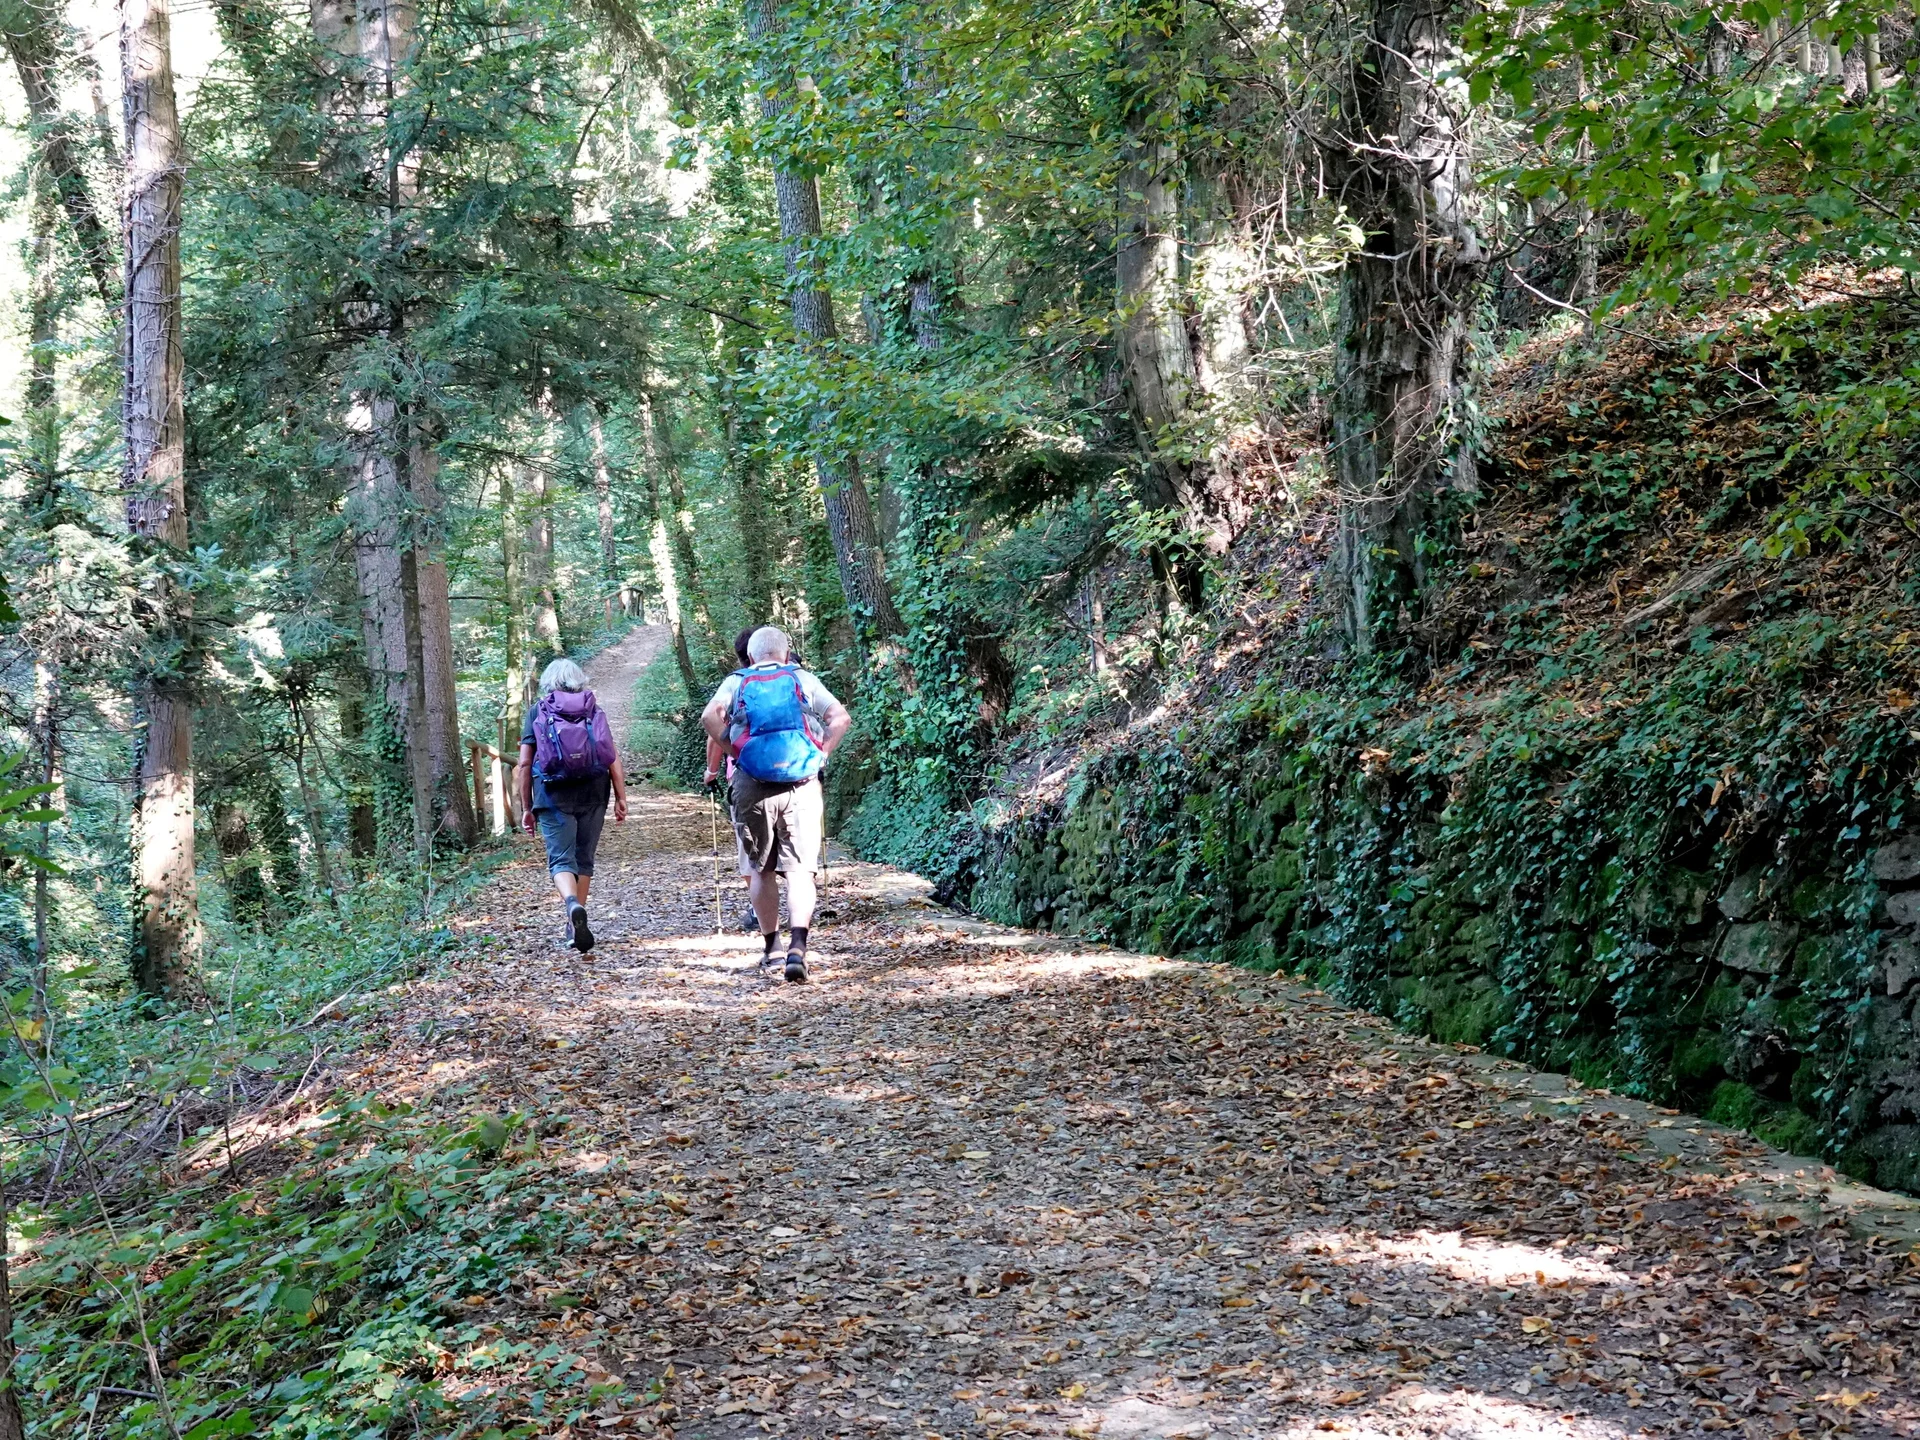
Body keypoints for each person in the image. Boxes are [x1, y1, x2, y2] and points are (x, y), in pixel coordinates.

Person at [701, 626, 850, 982]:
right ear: (786, 653)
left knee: (760, 869)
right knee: (800, 871)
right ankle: (799, 947)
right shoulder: (802, 677)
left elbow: (709, 717)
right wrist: (820, 754)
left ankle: (773, 948)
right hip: (801, 783)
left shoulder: (736, 681)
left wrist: (737, 751)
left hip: (751, 783)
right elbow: (840, 718)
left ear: (751, 656)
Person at [518, 657, 628, 952]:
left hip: (553, 793)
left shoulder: (537, 711)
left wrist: (526, 807)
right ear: (579, 680)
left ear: (547, 684)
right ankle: (575, 920)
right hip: (594, 790)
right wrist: (621, 797)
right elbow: (612, 756)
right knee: (584, 859)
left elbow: (525, 763)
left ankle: (570, 906)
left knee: (561, 859)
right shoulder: (593, 708)